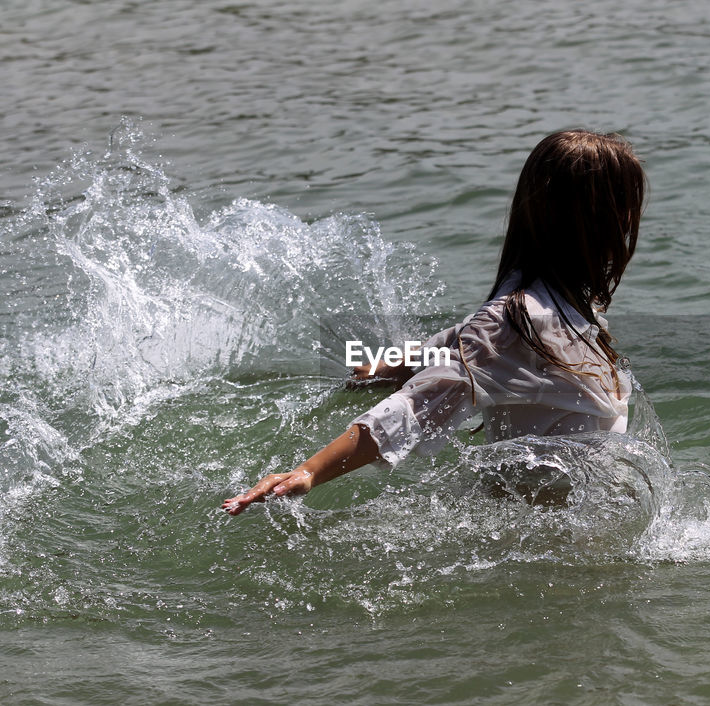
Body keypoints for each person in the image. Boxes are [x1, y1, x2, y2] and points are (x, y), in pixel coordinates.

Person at [222, 130, 646, 515]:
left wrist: (396, 363)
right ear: (593, 222)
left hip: (546, 514)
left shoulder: (549, 302)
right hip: (550, 532)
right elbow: (419, 402)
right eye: (623, 211)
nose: (628, 229)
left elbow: (462, 343)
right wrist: (309, 472)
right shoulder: (525, 315)